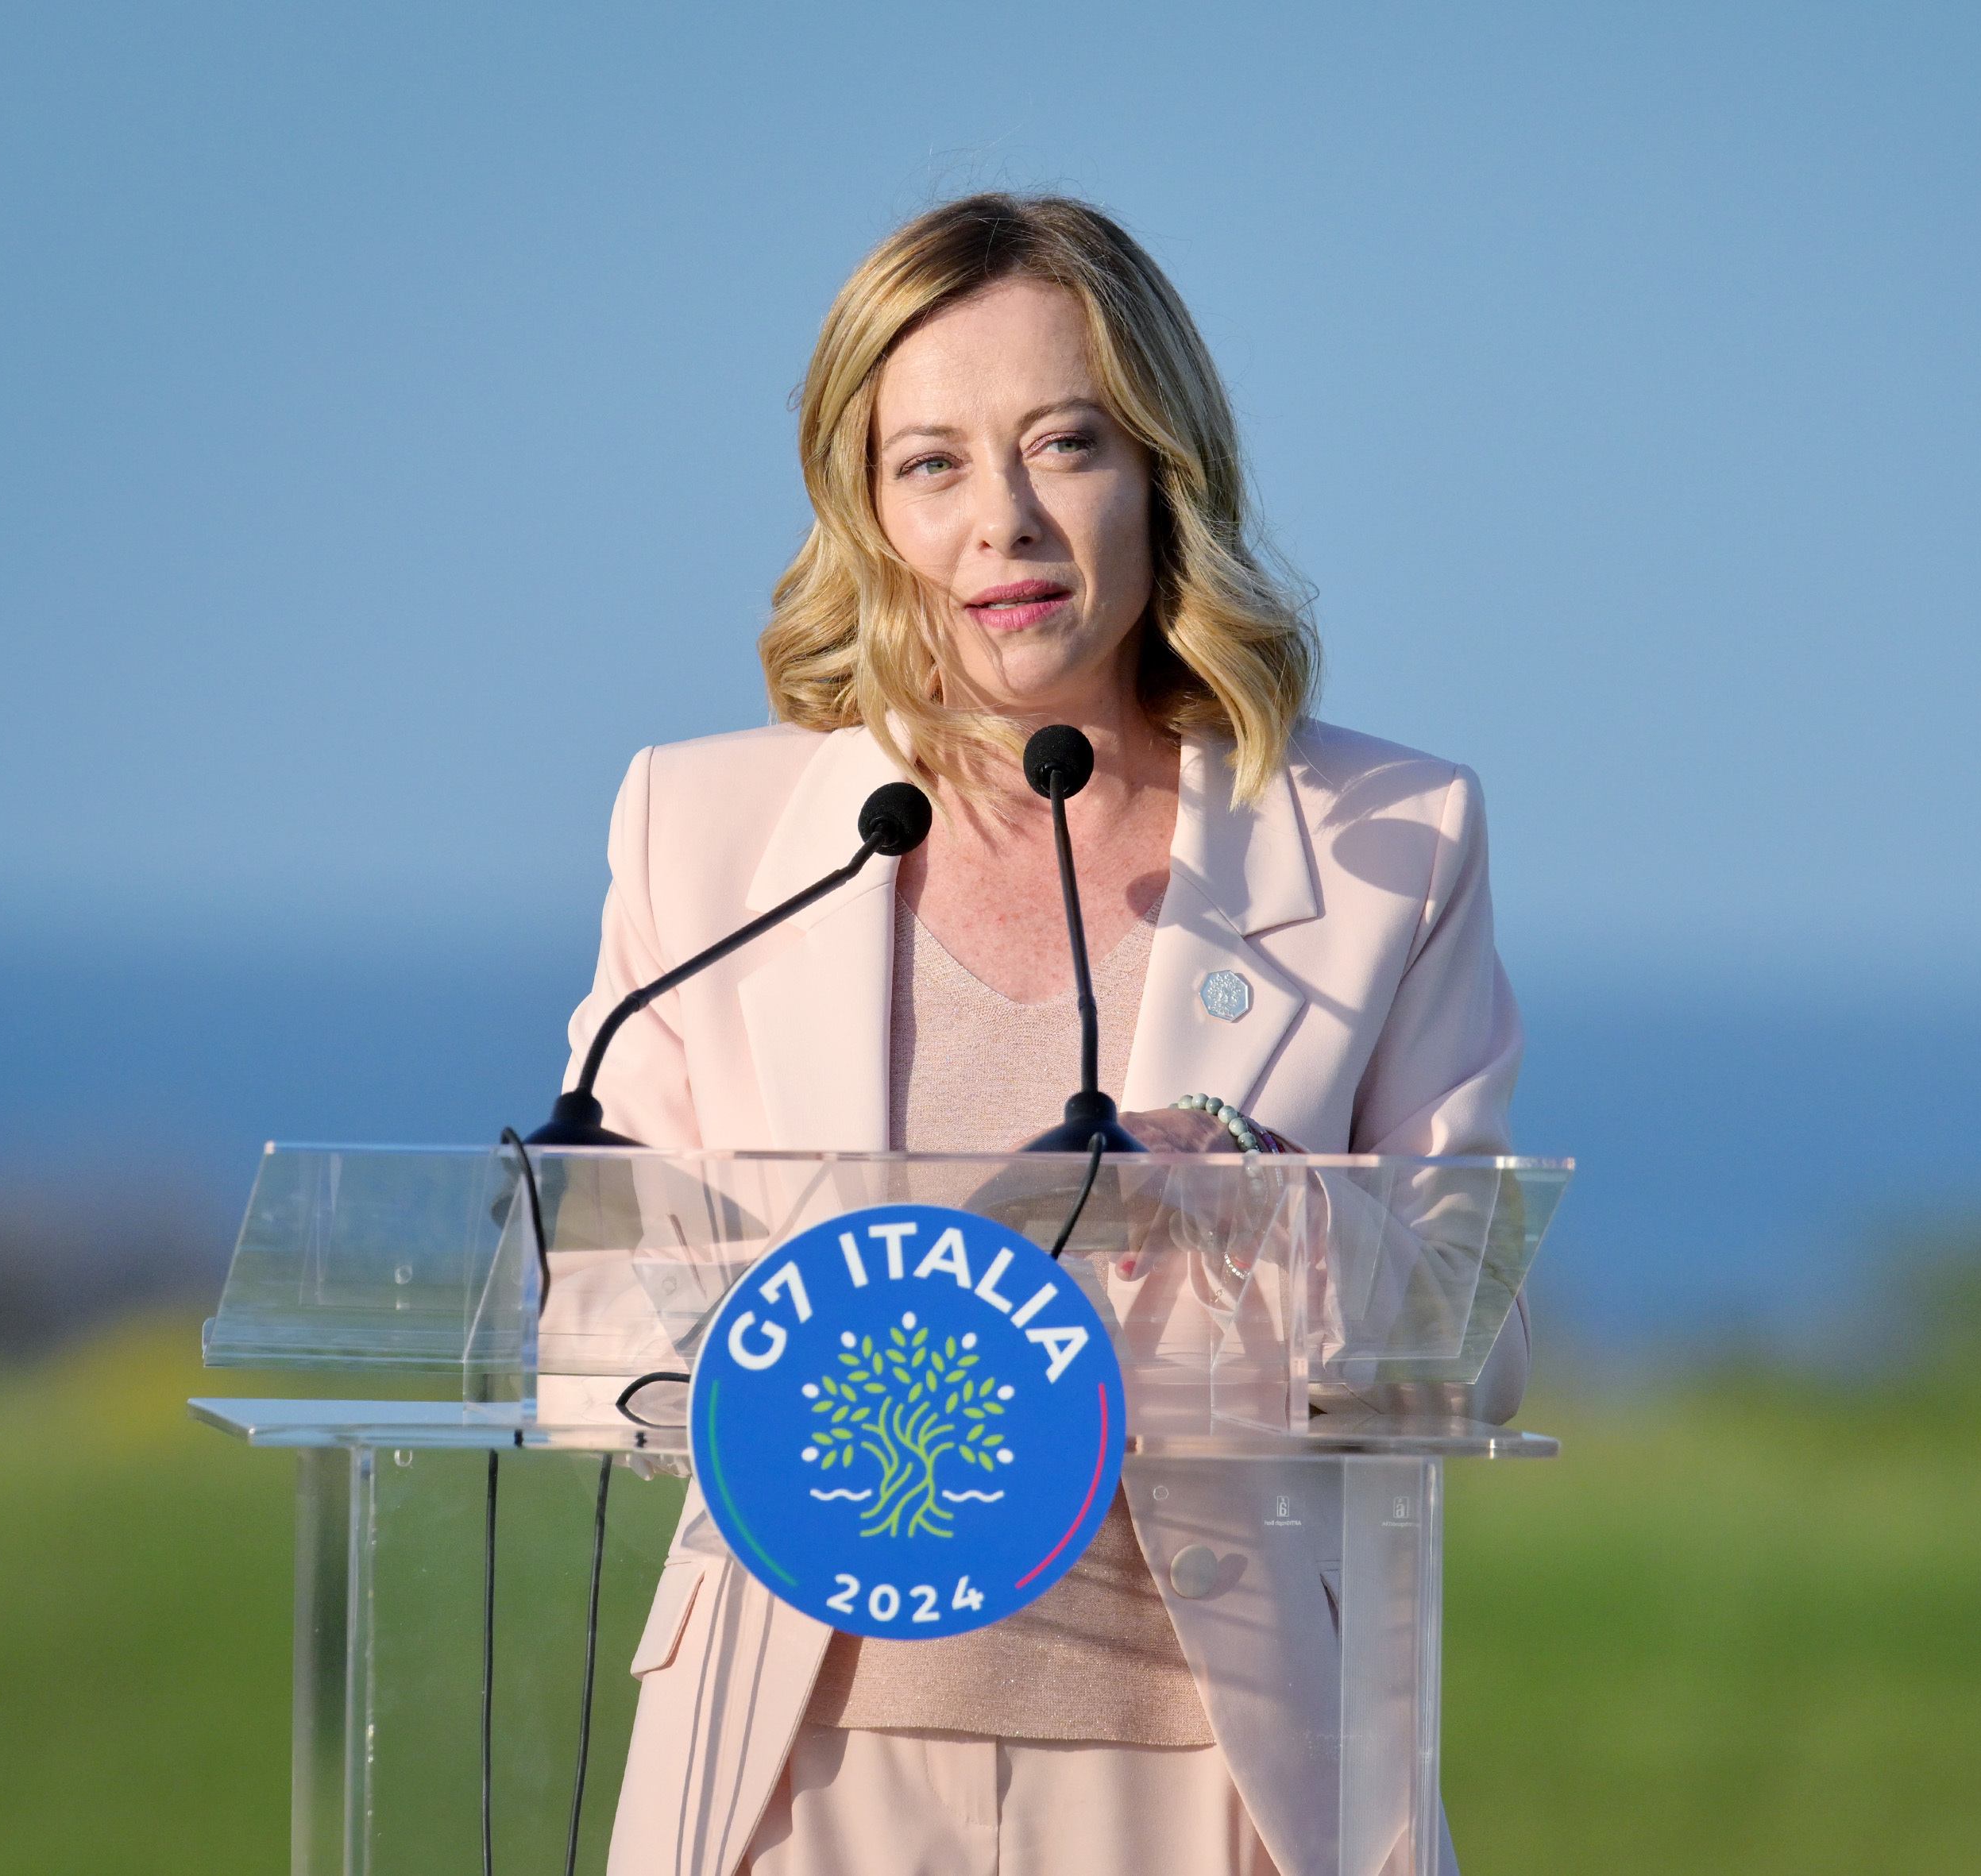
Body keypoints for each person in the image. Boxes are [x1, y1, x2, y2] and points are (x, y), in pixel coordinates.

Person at [566, 194, 1527, 1876]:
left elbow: (1471, 1333)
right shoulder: (702, 830)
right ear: (863, 507)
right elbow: (584, 1316)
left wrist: (1249, 1200)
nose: (1000, 521)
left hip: (1224, 1772)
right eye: (929, 462)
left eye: (1061, 444)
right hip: (792, 1755)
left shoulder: (1387, 838)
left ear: (1161, 468)